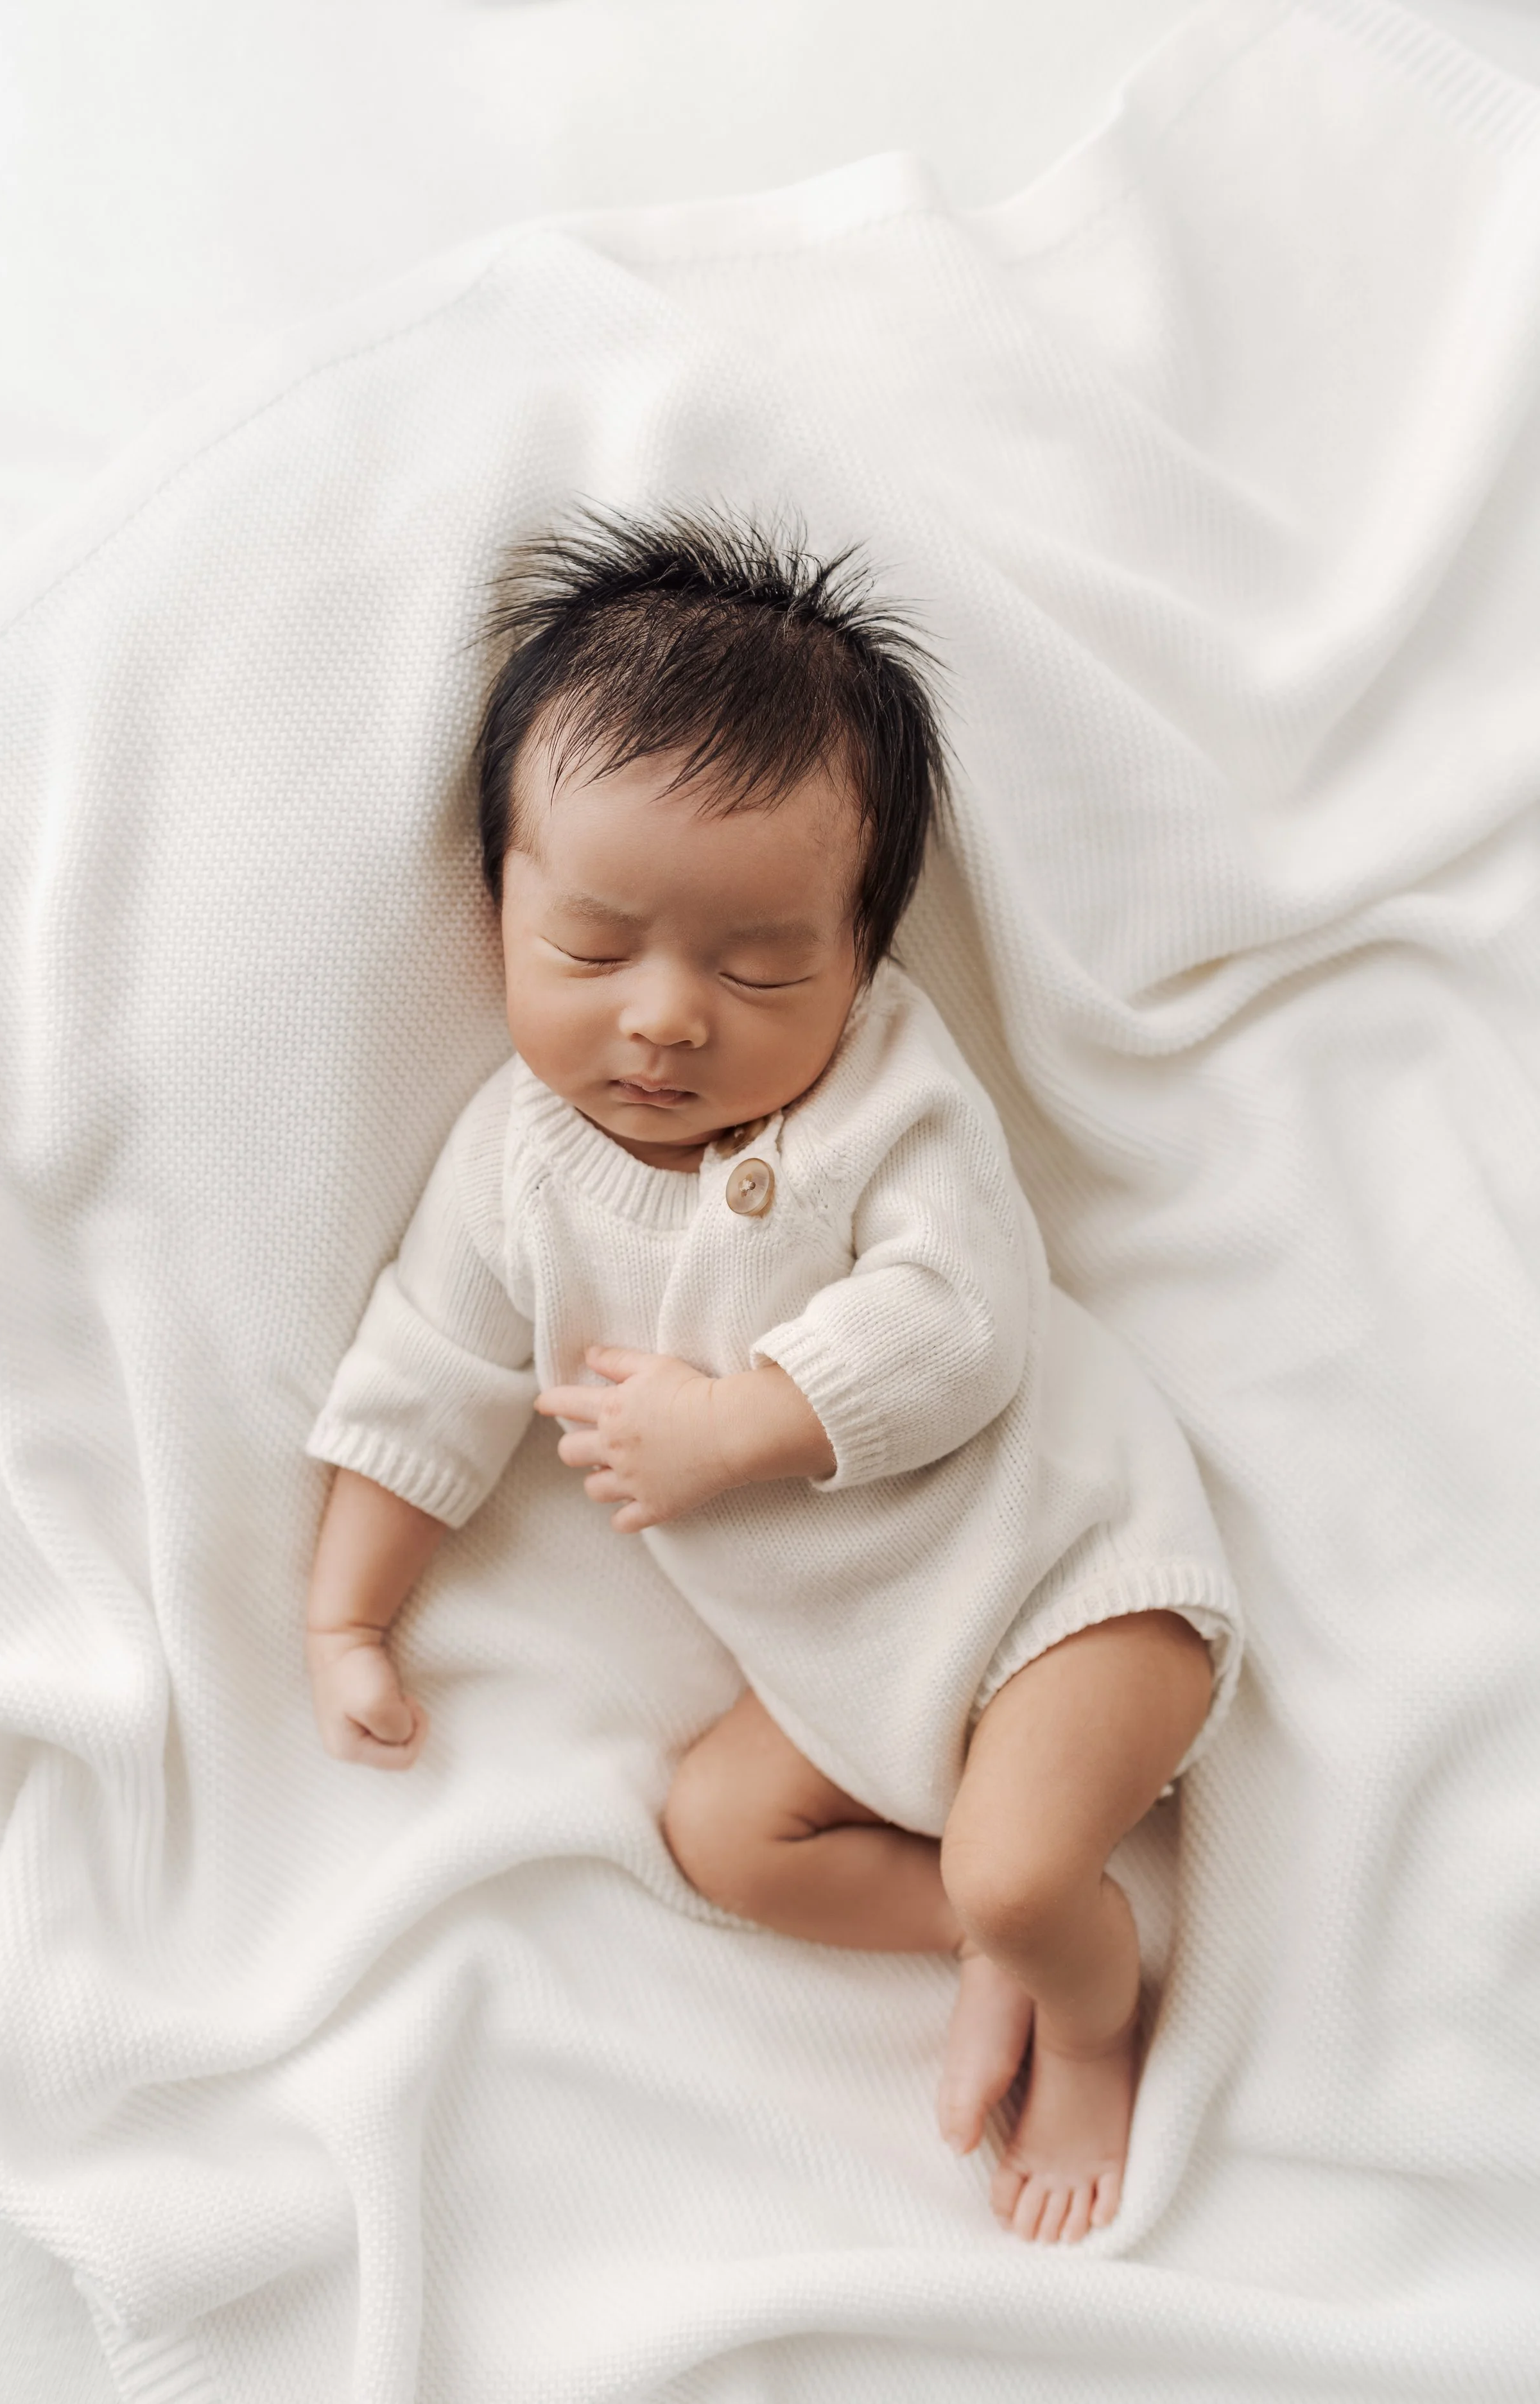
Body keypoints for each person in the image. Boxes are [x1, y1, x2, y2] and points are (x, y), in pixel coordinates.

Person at [304, 508, 1242, 2245]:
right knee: (720, 1837)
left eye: (757, 967)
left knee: (1021, 1863)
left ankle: (1087, 1999)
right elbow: (427, 1369)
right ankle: (989, 1938)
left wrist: (742, 1423)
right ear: (498, 908)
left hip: (1066, 1580)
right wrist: (348, 1615)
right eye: (594, 951)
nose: (667, 1017)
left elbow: (964, 1317)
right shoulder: (510, 1172)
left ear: (860, 962)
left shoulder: (887, 1095)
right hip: (848, 1677)